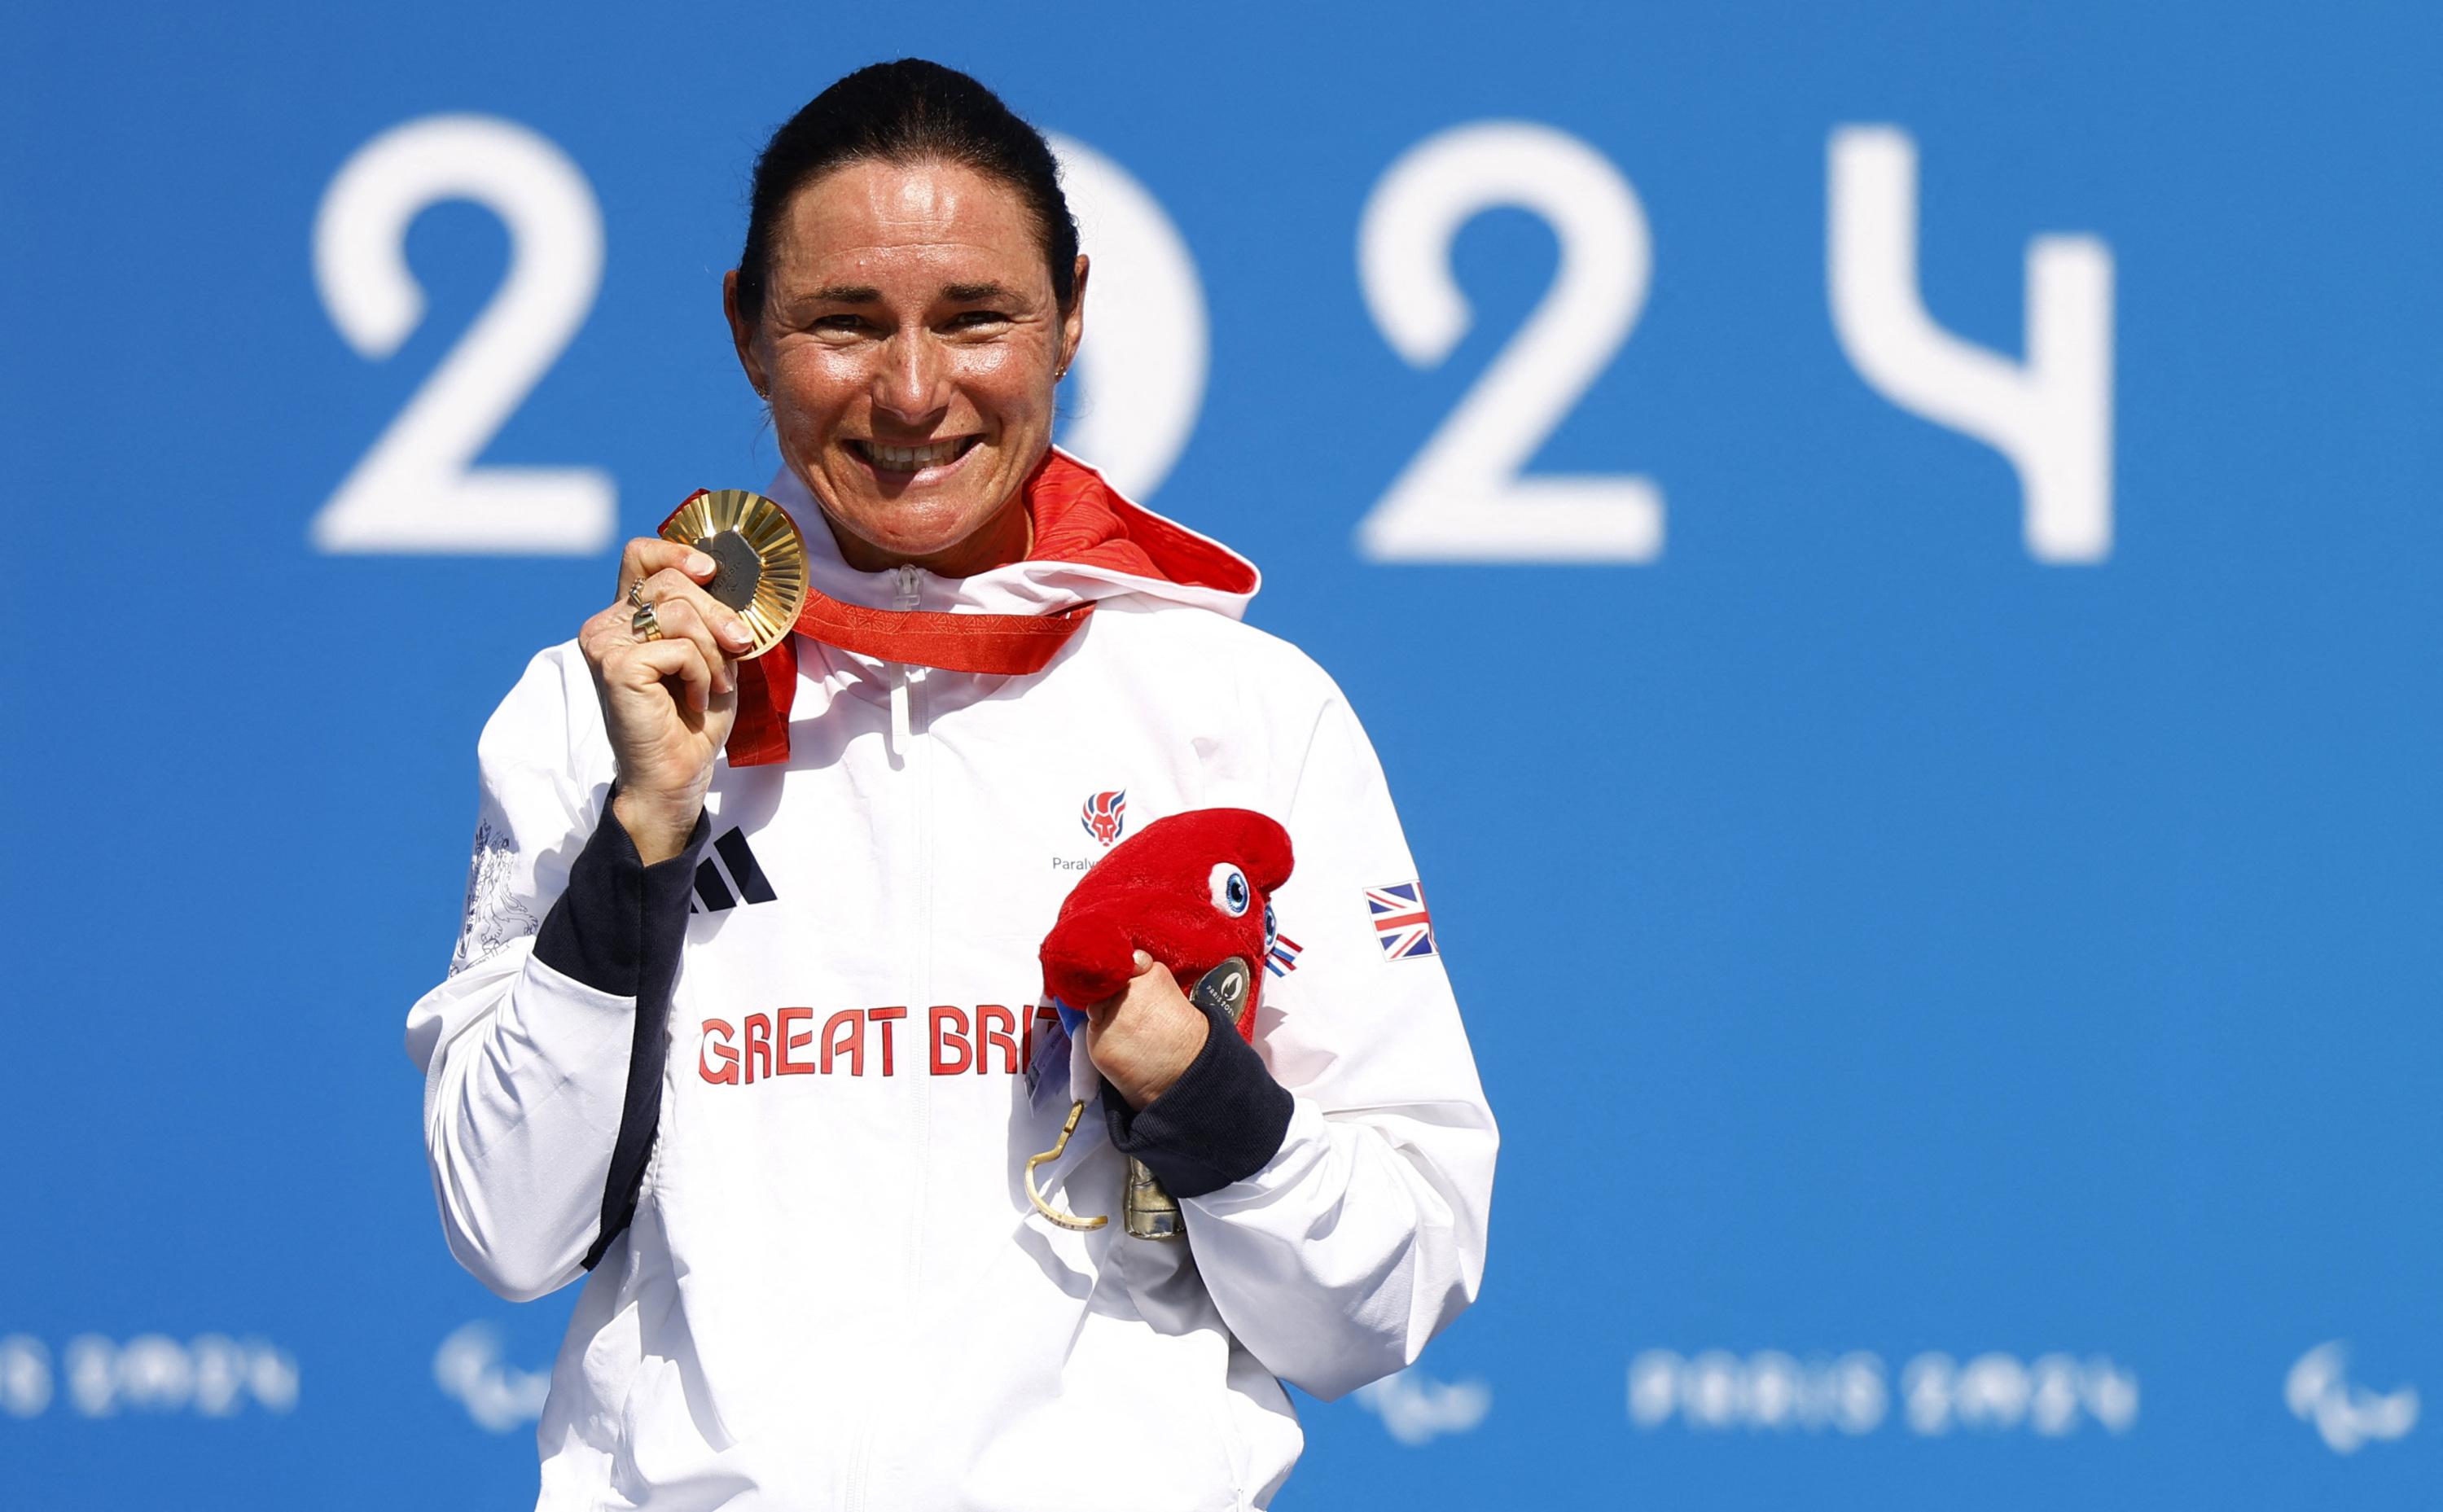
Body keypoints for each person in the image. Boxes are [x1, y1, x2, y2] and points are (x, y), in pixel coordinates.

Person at [406, 59, 1495, 1510]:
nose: (914, 392)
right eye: (844, 324)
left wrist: (1204, 1097)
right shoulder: (603, 706)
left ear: (1073, 317)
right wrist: (642, 837)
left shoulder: (1245, 710)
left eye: (974, 319)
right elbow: (504, 1223)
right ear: (744, 330)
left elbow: (1385, 1294)